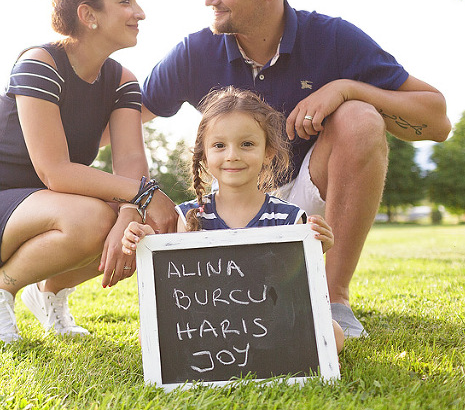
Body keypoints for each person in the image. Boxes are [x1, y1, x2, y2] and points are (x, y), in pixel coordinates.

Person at [140, 0, 452, 338]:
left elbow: (437, 121)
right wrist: (135, 193)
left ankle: (333, 297)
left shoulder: (332, 38)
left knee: (360, 117)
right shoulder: (194, 51)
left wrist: (345, 89)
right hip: (231, 200)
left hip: (308, 199)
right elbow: (129, 115)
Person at [0, 0, 178, 345]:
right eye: (125, 1)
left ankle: (49, 291)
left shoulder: (123, 81)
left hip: (52, 209)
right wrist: (143, 195)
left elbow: (131, 163)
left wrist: (131, 212)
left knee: (143, 228)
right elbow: (55, 171)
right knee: (93, 218)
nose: (140, 13)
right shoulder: (40, 63)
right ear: (89, 15)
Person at [122, 87, 345, 353]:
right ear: (204, 155)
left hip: (270, 322)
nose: (232, 155)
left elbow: (294, 286)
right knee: (147, 335)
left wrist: (316, 248)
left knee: (334, 333)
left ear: (268, 152)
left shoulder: (288, 218)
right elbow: (181, 287)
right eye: (219, 146)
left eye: (247, 144)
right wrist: (147, 242)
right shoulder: (192, 216)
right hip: (210, 325)